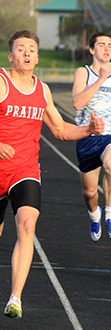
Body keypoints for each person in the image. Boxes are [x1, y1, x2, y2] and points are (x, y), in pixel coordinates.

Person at [0, 30, 104, 318]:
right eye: (21, 49)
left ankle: (15, 297)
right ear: (11, 56)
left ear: (37, 57)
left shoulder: (42, 90)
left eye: (31, 49)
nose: (26, 53)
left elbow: (61, 130)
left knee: (27, 224)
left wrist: (88, 130)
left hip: (26, 169)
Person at [72, 32, 111, 242]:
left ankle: (109, 214)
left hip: (110, 136)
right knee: (89, 193)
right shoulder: (83, 72)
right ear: (92, 50)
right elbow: (77, 103)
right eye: (102, 44)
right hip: (87, 136)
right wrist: (102, 79)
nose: (107, 48)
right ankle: (94, 215)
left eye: (110, 45)